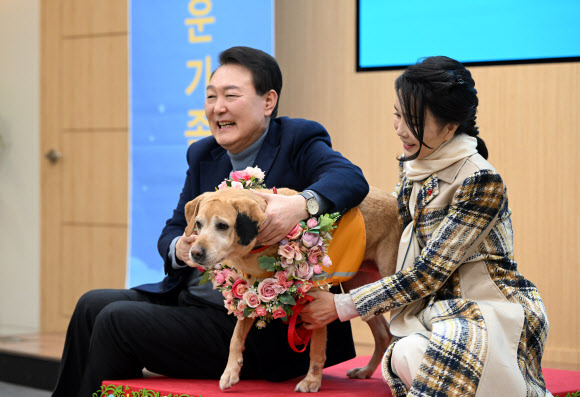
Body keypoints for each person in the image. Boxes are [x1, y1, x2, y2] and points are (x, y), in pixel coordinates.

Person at [51, 46, 369, 396]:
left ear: (268, 102)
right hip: (194, 299)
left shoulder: (297, 139)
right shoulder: (204, 153)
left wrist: (299, 205)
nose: (218, 107)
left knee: (116, 320)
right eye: (211, 96)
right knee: (91, 305)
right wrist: (180, 247)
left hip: (264, 324)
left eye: (231, 96)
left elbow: (350, 179)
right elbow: (173, 228)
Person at [301, 56, 550, 396]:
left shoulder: (480, 180)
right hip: (432, 313)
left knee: (421, 354)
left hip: (484, 310)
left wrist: (341, 306)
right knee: (406, 352)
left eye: (413, 120)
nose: (400, 128)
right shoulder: (413, 168)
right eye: (397, 114)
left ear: (451, 127)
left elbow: (428, 274)